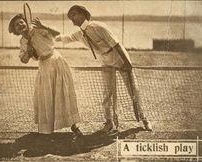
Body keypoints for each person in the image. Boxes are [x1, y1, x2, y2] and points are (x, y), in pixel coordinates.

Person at [54, 5, 152, 133]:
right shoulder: (79, 34)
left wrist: (127, 62)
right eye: (70, 17)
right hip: (105, 62)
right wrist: (45, 34)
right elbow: (64, 38)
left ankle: (145, 119)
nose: (72, 19)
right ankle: (109, 122)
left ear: (83, 14)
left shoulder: (98, 27)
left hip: (119, 58)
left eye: (74, 14)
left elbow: (116, 44)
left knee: (133, 90)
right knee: (107, 93)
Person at [8, 14, 83, 138]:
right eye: (17, 25)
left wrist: (43, 26)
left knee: (63, 94)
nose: (20, 25)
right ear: (15, 31)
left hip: (57, 61)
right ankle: (46, 130)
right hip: (44, 66)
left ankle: (74, 126)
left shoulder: (37, 29)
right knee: (46, 97)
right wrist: (29, 51)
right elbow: (24, 60)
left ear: (26, 22)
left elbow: (57, 33)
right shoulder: (23, 42)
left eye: (21, 22)